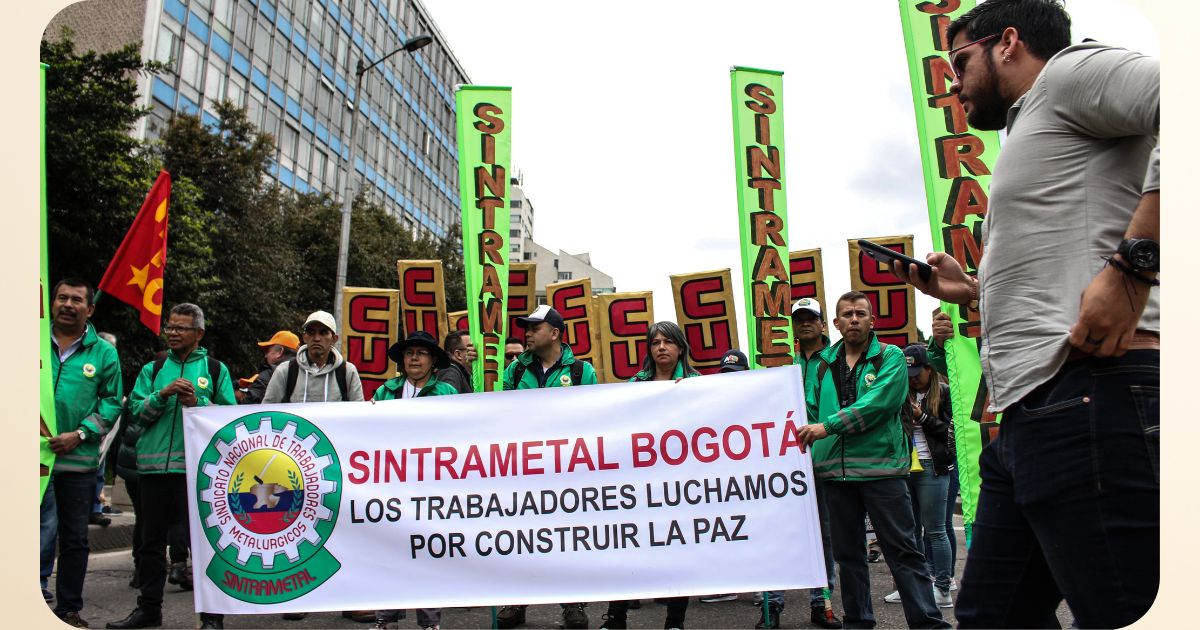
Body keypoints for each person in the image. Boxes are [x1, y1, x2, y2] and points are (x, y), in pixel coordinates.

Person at [891, 1, 1159, 626]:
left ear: (1007, 42)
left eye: (960, 62)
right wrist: (971, 290)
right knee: (989, 616)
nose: (954, 83)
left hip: (1093, 395)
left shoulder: (1071, 73)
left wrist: (1134, 262)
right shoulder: (1037, 126)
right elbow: (1062, 263)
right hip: (1032, 418)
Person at [793, 292, 948, 629]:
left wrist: (827, 427)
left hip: (883, 471)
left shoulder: (891, 357)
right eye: (846, 314)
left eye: (860, 313)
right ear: (834, 323)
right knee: (848, 558)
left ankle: (928, 624)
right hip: (835, 474)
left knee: (904, 552)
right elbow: (808, 409)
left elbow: (880, 404)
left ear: (871, 321)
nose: (853, 319)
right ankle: (859, 623)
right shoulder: (821, 365)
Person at [108, 303, 235, 630]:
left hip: (196, 475)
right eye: (170, 327)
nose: (173, 333)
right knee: (151, 544)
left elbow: (230, 420)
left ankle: (212, 616)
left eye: (181, 328)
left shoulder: (215, 369)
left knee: (203, 546)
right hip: (152, 472)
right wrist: (162, 395)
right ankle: (148, 609)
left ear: (199, 333)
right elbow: (135, 413)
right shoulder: (153, 369)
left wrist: (198, 403)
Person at [498, 305, 597, 630]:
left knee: (568, 538)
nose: (527, 332)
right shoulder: (513, 371)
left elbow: (596, 419)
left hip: (568, 471)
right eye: (526, 327)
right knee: (521, 535)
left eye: (534, 327)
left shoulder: (583, 373)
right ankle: (516, 601)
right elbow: (501, 413)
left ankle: (573, 604)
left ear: (554, 333)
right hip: (523, 469)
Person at [600, 322, 698, 630]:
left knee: (679, 550)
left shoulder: (697, 384)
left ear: (680, 347)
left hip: (681, 480)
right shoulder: (635, 384)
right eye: (655, 342)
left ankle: (675, 622)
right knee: (628, 547)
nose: (661, 348)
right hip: (642, 481)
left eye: (668, 342)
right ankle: (616, 619)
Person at [754, 298, 841, 630]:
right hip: (783, 458)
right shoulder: (780, 363)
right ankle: (772, 606)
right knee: (776, 530)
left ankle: (822, 604)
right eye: (799, 319)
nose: (805, 323)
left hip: (823, 455)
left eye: (811, 318)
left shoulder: (837, 360)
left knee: (823, 535)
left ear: (822, 324)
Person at [46, 278, 123, 628]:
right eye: (62, 297)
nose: (67, 304)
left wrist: (80, 434)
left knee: (74, 537)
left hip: (76, 462)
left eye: (76, 300)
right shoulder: (30, 341)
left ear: (89, 309)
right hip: (31, 461)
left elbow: (110, 403)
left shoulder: (104, 353)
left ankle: (68, 610)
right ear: (52, 303)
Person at [372, 331, 458, 630]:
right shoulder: (386, 391)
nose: (414, 358)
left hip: (432, 486)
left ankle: (429, 623)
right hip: (392, 486)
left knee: (428, 552)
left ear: (433, 360)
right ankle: (386, 619)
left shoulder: (446, 393)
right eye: (410, 353)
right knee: (388, 551)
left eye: (422, 353)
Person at [883, 346, 955, 609]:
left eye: (917, 373)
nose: (913, 378)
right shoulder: (901, 393)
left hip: (932, 467)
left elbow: (952, 434)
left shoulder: (944, 393)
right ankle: (914, 586)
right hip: (904, 466)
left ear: (929, 369)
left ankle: (943, 588)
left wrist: (921, 416)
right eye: (908, 373)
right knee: (909, 532)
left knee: (936, 530)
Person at [262, 311, 365, 404]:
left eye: (323, 332)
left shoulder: (347, 371)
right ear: (304, 337)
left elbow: (359, 416)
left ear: (334, 339)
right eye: (311, 332)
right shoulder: (286, 370)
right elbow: (267, 413)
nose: (316, 338)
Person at [241, 330, 299, 404]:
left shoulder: (267, 376)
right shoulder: (306, 373)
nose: (265, 356)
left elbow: (248, 408)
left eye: (267, 351)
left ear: (280, 352)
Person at [436, 329, 476, 394]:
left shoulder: (462, 372)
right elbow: (447, 402)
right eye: (470, 349)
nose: (475, 352)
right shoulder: (450, 373)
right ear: (458, 354)